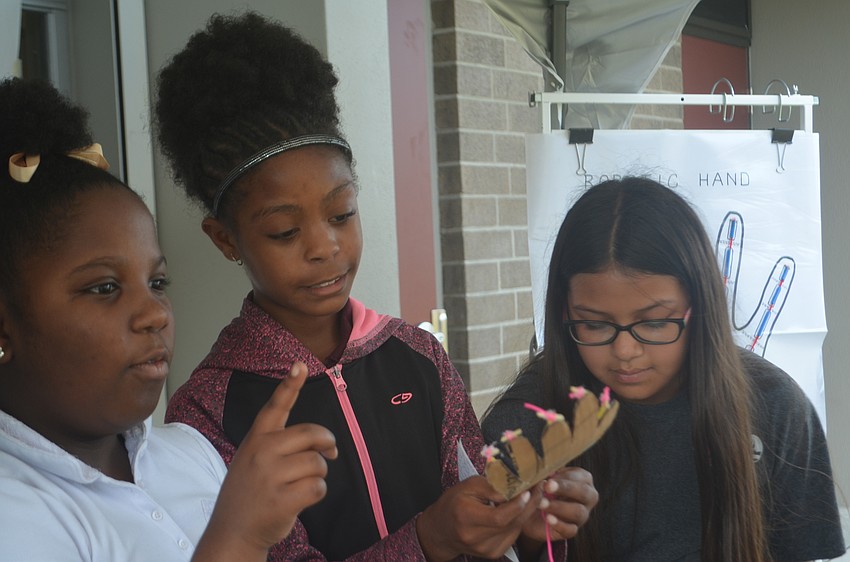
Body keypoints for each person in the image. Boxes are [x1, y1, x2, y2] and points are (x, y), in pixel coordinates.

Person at [154, 11, 597, 562]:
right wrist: (428, 541)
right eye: (285, 231)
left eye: (341, 214)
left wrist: (528, 519)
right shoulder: (208, 412)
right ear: (225, 239)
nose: (325, 247)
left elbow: (483, 506)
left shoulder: (418, 356)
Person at [0, 77, 338, 561]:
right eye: (104, 288)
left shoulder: (189, 453)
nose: (154, 314)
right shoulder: (13, 514)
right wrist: (238, 537)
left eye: (157, 284)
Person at [481, 176, 847, 562]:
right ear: (563, 313)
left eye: (654, 323)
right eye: (595, 325)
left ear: (700, 306)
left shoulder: (774, 404)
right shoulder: (526, 424)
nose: (625, 351)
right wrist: (533, 538)